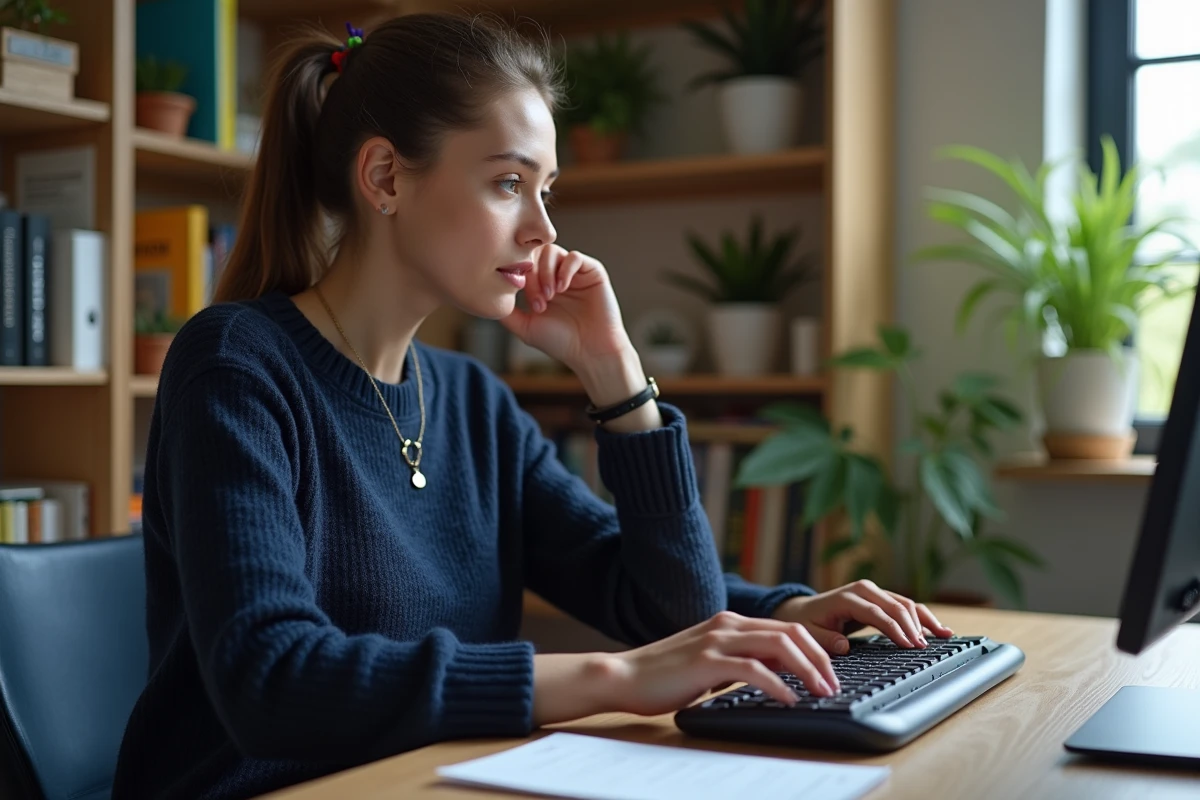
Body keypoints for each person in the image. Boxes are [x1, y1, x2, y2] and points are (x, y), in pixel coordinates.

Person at [111, 13, 954, 800]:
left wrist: (616, 377)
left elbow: (670, 608)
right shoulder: (236, 365)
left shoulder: (473, 401)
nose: (542, 230)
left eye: (546, 189)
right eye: (509, 183)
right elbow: (273, 679)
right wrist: (611, 679)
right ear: (384, 177)